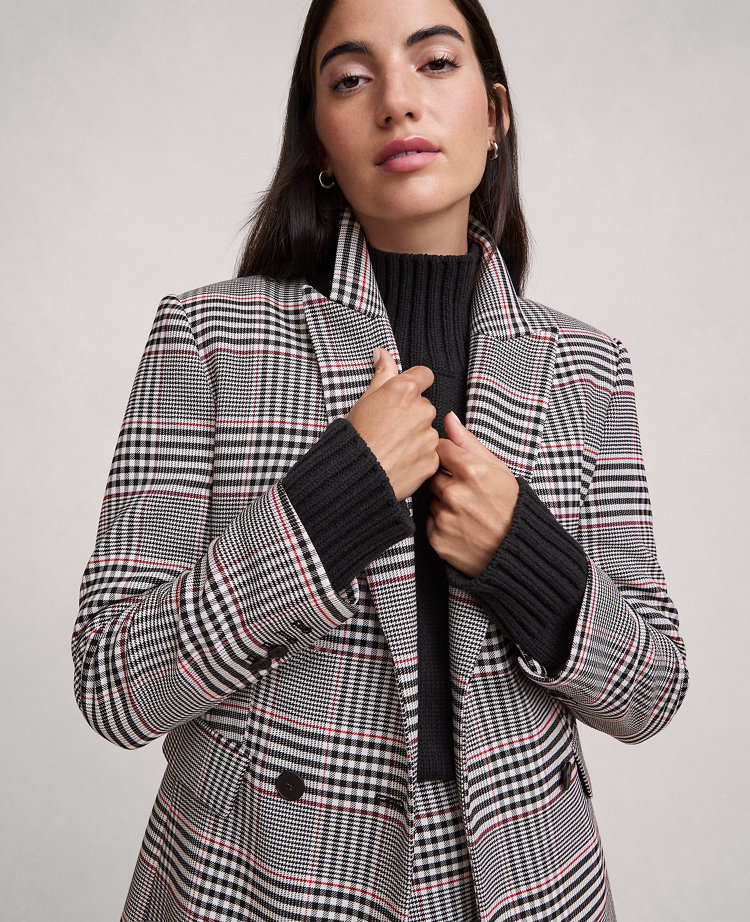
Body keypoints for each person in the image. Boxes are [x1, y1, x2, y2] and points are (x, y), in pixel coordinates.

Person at [72, 0, 688, 919]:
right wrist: (332, 505)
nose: (397, 102)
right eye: (352, 79)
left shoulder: (586, 366)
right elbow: (113, 684)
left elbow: (654, 690)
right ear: (320, 141)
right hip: (265, 878)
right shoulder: (208, 336)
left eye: (435, 63)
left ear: (496, 114)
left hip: (526, 879)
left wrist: (524, 555)